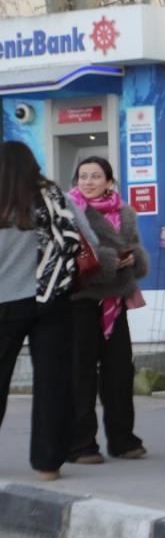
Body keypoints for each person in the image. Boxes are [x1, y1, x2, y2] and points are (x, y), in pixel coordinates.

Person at [0, 141, 80, 482]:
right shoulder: (49, 196)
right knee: (51, 383)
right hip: (48, 300)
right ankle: (48, 464)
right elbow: (72, 240)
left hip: (4, 303)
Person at [66, 157, 149, 464]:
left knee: (119, 372)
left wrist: (132, 258)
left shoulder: (125, 212)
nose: (87, 182)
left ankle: (123, 439)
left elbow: (137, 249)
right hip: (81, 301)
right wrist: (111, 259)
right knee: (81, 373)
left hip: (115, 301)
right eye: (82, 176)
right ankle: (82, 443)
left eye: (95, 176)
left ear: (109, 182)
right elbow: (69, 256)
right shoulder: (68, 212)